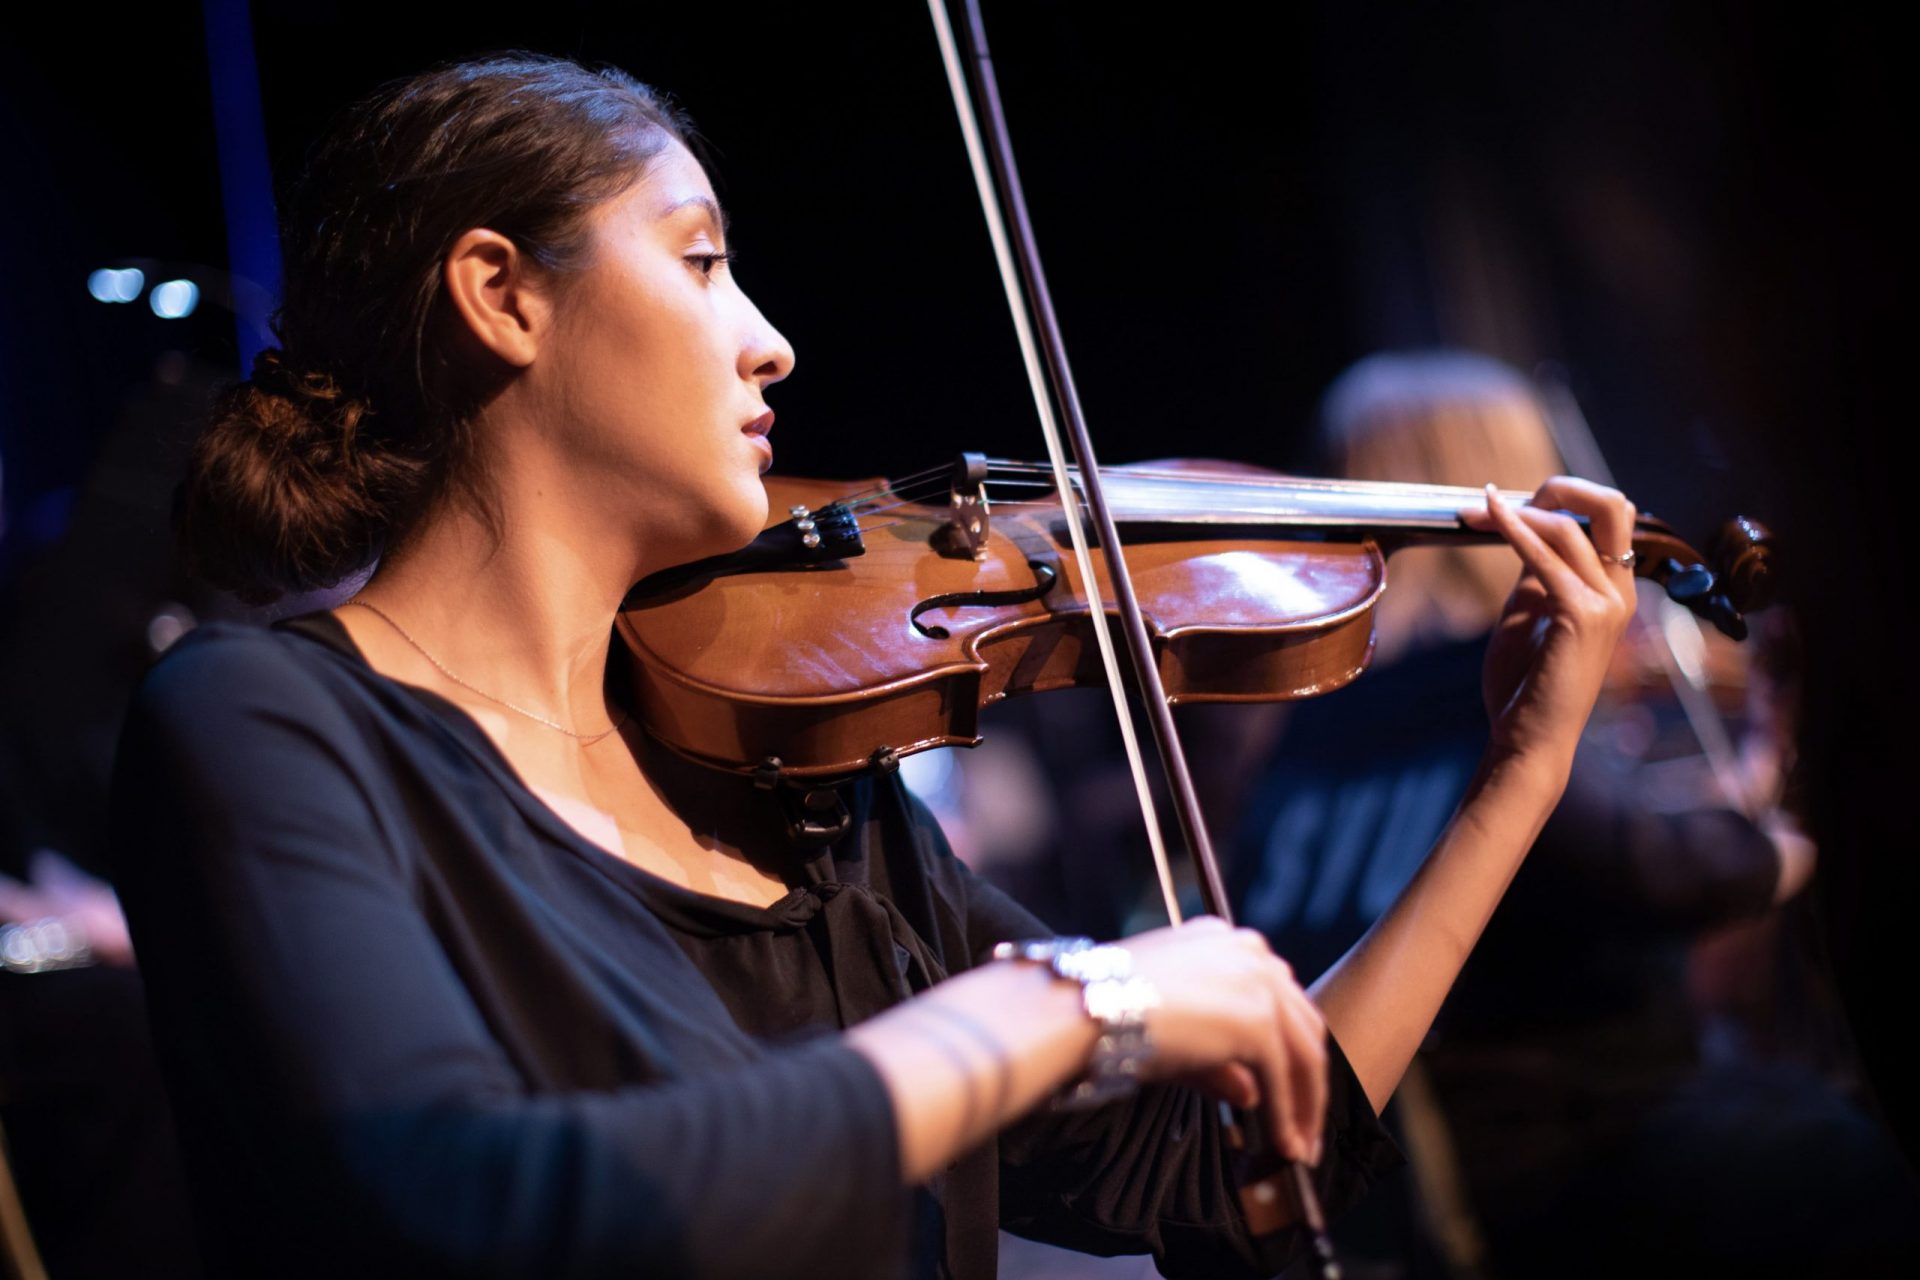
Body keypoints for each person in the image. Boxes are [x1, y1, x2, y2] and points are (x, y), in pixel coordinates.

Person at [107, 56, 1639, 1280]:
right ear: (502, 292)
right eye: (700, 261)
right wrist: (1077, 1000)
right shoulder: (265, 722)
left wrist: (1519, 777)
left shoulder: (794, 788)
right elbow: (475, 1204)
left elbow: (1203, 1174)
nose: (771, 343)